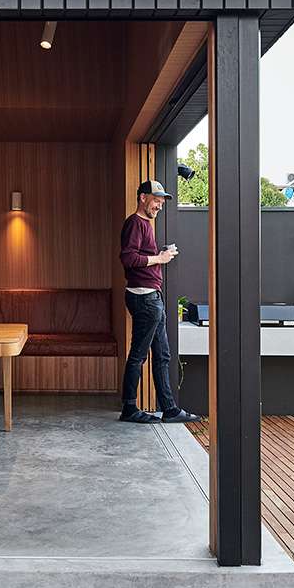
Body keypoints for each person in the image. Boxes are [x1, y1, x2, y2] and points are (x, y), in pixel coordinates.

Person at [119, 179, 200, 424]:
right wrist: (160, 259)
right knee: (138, 355)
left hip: (152, 297)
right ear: (143, 197)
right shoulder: (135, 223)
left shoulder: (145, 224)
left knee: (162, 354)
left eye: (161, 202)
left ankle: (169, 408)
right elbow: (128, 258)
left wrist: (158, 255)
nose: (159, 206)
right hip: (144, 298)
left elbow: (142, 255)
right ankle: (130, 408)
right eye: (156, 200)